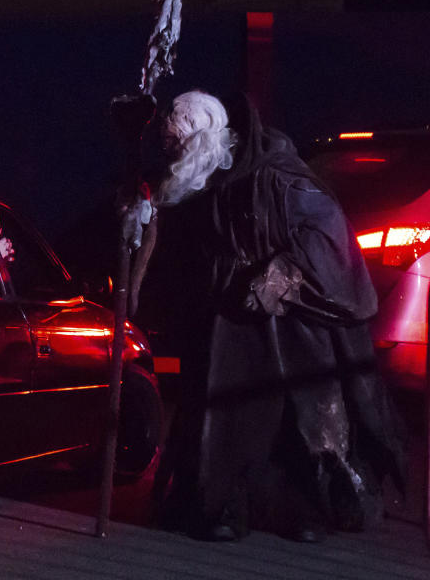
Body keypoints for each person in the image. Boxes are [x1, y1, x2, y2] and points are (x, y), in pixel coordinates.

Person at [150, 90, 404, 543]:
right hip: (221, 326)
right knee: (221, 420)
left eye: (180, 144)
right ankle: (221, 504)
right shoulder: (199, 182)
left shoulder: (277, 175)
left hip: (286, 327)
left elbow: (326, 233)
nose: (176, 156)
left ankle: (302, 510)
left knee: (292, 421)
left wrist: (277, 278)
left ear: (205, 135)